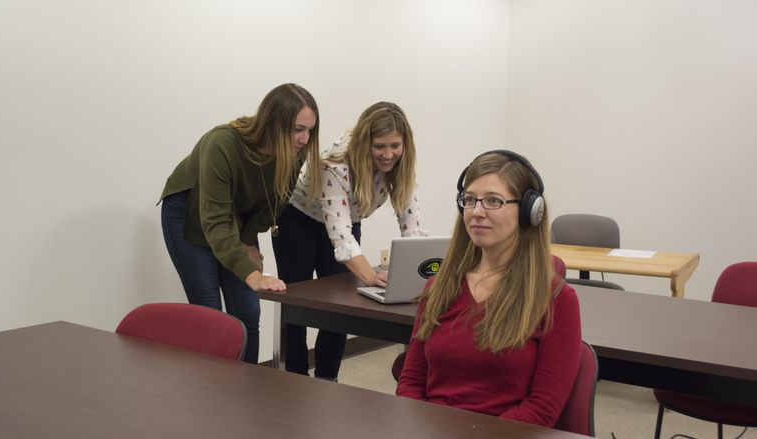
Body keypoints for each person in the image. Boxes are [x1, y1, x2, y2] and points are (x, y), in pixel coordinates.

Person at [396, 150, 581, 428]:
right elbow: (410, 382)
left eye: (493, 201)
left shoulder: (556, 299)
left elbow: (543, 408)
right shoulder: (439, 288)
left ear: (530, 211)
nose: (477, 212)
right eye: (469, 200)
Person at [159, 83, 321, 364]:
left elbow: (274, 204)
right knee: (210, 314)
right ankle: (213, 395)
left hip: (236, 220)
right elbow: (216, 220)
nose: (305, 139)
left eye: (310, 130)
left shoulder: (296, 151)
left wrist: (246, 242)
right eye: (297, 129)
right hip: (190, 213)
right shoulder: (221, 143)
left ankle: (247, 390)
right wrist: (254, 276)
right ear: (272, 123)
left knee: (247, 312)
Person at [272, 101, 426, 380]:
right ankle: (293, 378)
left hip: (347, 220)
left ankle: (328, 378)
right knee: (296, 302)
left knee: (341, 304)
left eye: (395, 145)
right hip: (299, 221)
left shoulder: (403, 165)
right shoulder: (335, 163)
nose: (388, 154)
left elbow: (412, 226)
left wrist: (415, 272)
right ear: (365, 142)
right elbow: (341, 235)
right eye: (379, 146)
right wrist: (370, 275)